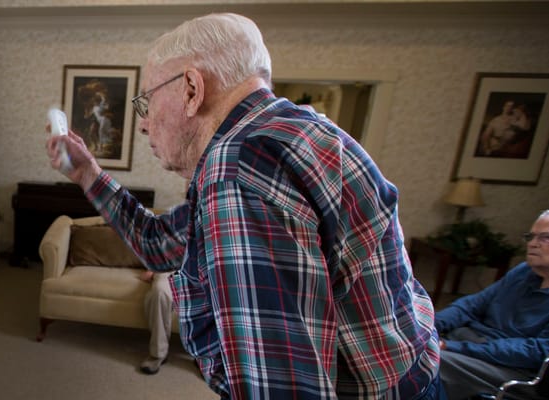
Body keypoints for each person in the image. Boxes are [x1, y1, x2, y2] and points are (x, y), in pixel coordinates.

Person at [45, 13, 442, 399]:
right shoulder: (297, 131)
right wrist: (87, 172)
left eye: (147, 101)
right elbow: (158, 243)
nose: (144, 123)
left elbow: (280, 387)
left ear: (191, 89)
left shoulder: (237, 169)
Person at [436, 209, 549, 400]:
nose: (532, 243)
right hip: (469, 341)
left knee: (421, 361)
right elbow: (472, 304)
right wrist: (428, 325)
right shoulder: (523, 272)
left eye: (545, 238)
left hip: (509, 365)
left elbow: (534, 351)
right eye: (530, 237)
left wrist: (452, 346)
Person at [138, 270, 173, 375]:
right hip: (167, 271)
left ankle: (207, 356)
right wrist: (152, 269)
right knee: (159, 292)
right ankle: (158, 353)